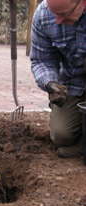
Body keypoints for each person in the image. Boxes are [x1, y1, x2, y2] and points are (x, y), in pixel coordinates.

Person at [30, 0, 86, 158]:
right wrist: (51, 83)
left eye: (63, 14)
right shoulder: (43, 16)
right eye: (54, 13)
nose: (57, 20)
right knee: (62, 134)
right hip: (74, 82)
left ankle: (84, 144)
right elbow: (41, 61)